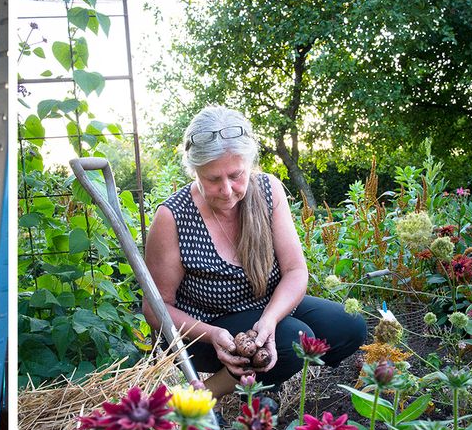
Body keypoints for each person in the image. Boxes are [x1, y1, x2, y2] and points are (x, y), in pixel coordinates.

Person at [143, 105, 366, 407]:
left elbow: (295, 271)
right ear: (194, 171)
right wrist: (213, 334)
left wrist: (270, 319)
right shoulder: (173, 216)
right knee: (294, 340)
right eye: (212, 179)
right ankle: (204, 394)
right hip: (205, 329)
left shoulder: (268, 190)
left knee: (349, 326)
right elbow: (157, 309)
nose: (226, 190)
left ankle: (262, 381)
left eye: (236, 175)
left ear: (249, 164)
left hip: (264, 310)